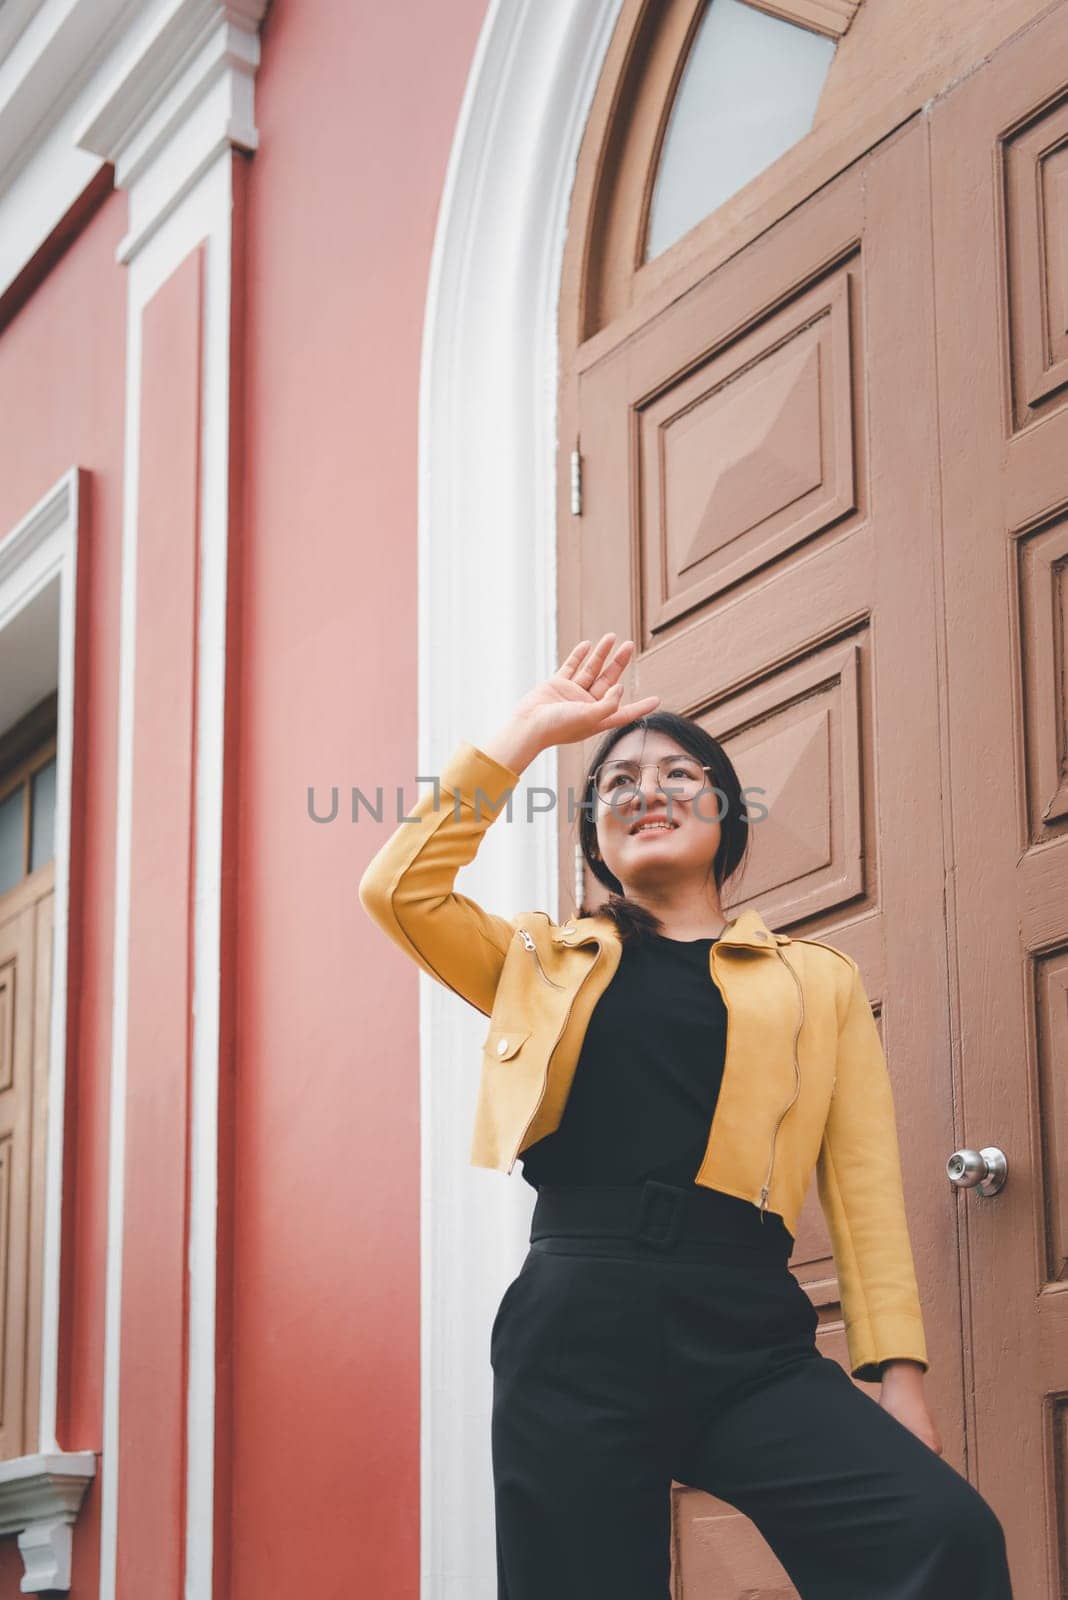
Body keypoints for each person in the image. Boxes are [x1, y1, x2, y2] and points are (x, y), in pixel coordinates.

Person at [358, 633, 1014, 1599]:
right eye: (617, 782)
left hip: (747, 1328)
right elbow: (400, 889)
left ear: (726, 815)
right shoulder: (539, 964)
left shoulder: (815, 982)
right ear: (595, 840)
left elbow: (864, 1186)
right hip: (575, 1321)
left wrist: (897, 1373)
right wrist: (525, 737)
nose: (645, 789)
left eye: (678, 772)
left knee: (943, 1534)